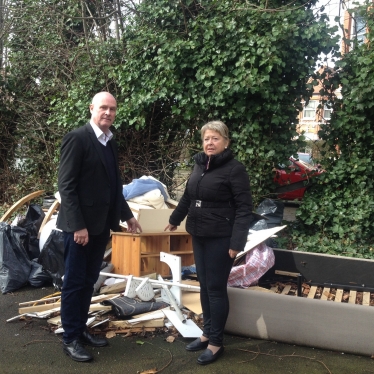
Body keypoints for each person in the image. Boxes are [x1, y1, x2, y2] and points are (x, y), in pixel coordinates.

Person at [57, 92, 142, 362]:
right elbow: (66, 187)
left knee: (88, 282)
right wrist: (77, 226)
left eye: (113, 109)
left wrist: (128, 216)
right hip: (80, 230)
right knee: (73, 282)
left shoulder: (109, 142)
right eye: (103, 107)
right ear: (92, 108)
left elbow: (114, 186)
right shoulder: (78, 138)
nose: (108, 112)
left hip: (101, 227)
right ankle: (70, 338)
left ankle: (80, 330)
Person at [165, 120, 254, 365]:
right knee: (204, 286)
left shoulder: (235, 169)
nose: (210, 143)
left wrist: (237, 242)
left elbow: (244, 208)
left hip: (221, 237)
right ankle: (206, 334)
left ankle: (216, 343)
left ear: (226, 142)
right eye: (206, 139)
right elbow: (188, 197)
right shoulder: (198, 164)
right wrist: (174, 219)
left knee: (215, 289)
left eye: (215, 138)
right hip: (200, 233)